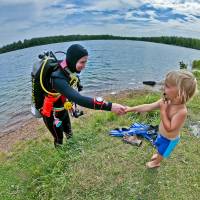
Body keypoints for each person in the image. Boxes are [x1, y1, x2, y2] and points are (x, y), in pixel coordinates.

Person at [40, 44, 126, 147]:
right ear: (72, 60)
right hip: (50, 113)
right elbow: (79, 99)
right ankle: (62, 159)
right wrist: (111, 106)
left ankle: (72, 150)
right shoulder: (57, 78)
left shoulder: (67, 70)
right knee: (59, 138)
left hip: (62, 108)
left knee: (69, 132)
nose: (84, 66)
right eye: (82, 62)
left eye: (86, 62)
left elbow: (71, 92)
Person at [125, 70, 197, 168]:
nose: (163, 87)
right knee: (159, 147)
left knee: (163, 151)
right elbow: (148, 106)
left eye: (167, 86)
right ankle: (158, 155)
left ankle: (156, 162)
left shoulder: (181, 112)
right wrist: (129, 109)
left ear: (179, 93)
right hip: (161, 134)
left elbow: (170, 128)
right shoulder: (166, 101)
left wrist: (163, 111)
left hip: (169, 140)